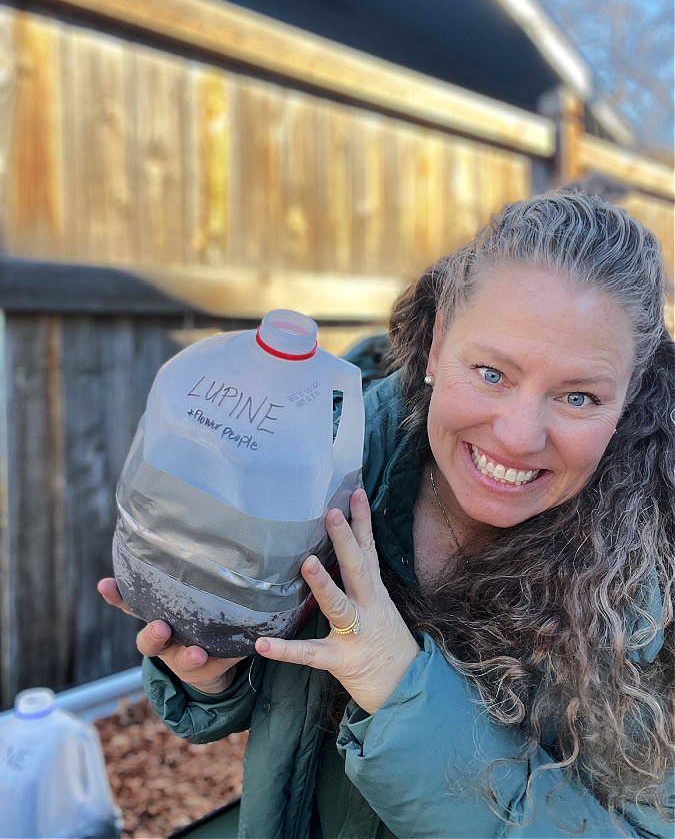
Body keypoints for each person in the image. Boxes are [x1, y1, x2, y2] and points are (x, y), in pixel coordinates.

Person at [100, 191, 674, 838]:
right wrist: (212, 671)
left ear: (626, 401)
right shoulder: (334, 454)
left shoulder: (651, 603)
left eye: (577, 396)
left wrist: (398, 688)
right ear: (434, 349)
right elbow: (263, 693)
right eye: (490, 373)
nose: (517, 436)